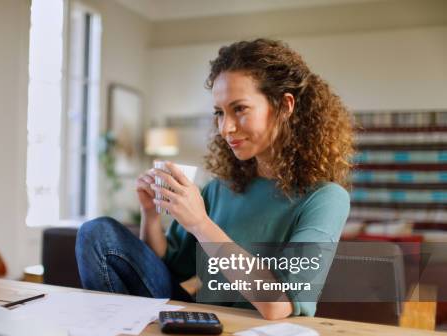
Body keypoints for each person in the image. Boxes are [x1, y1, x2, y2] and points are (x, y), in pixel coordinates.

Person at [75, 38, 353, 320]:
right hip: (203, 323)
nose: (226, 128)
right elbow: (166, 267)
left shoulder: (326, 199)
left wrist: (200, 224)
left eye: (240, 109)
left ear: (284, 106)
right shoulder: (219, 190)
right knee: (98, 234)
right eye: (220, 113)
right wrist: (151, 212)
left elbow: (277, 305)